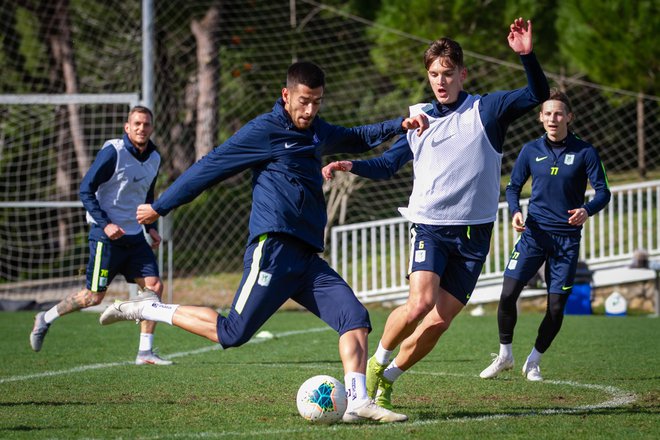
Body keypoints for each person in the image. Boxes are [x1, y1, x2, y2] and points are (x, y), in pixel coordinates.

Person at [99, 61, 428, 423]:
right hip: (272, 249)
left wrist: (399, 124)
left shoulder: (317, 131)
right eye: (303, 101)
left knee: (354, 317)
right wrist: (160, 206)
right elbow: (210, 167)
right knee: (233, 333)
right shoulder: (265, 130)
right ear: (286, 95)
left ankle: (357, 401)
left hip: (306, 257)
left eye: (317, 102)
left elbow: (357, 136)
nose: (310, 110)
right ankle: (148, 308)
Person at [322, 18, 549, 409]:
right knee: (419, 303)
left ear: (463, 73)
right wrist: (349, 164)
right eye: (433, 74)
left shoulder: (487, 110)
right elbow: (387, 165)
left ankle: (389, 379)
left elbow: (536, 94)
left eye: (447, 73)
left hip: (474, 234)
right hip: (429, 226)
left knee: (440, 321)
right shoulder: (418, 119)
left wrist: (527, 56)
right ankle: (377, 361)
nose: (440, 81)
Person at [480, 89, 610, 381]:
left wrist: (587, 210)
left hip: (566, 240)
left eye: (559, 113)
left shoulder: (585, 151)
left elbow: (604, 193)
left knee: (555, 307)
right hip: (533, 235)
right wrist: (515, 211)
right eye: (548, 113)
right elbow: (513, 187)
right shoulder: (530, 150)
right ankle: (505, 355)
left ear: (569, 117)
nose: (553, 118)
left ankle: (534, 361)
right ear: (540, 118)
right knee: (508, 294)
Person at [29, 106, 171, 366]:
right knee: (93, 297)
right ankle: (44, 318)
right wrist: (105, 224)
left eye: (146, 124)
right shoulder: (113, 152)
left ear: (152, 128)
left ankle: (145, 352)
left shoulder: (155, 158)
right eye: (137, 124)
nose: (141, 128)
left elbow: (146, 194)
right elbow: (86, 190)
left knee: (154, 288)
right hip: (105, 237)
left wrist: (150, 226)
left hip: (134, 236)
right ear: (127, 127)